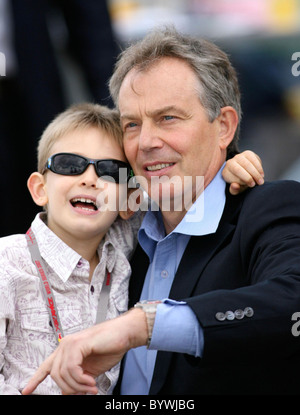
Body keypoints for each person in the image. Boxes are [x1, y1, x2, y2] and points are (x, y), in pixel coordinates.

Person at [23, 26, 300, 396]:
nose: (148, 142)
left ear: (225, 127)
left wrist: (142, 325)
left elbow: (290, 302)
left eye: (168, 118)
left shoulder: (269, 207)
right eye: (132, 124)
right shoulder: (121, 231)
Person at [0, 102, 143, 395]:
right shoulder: (6, 263)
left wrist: (229, 167)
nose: (90, 179)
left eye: (110, 171)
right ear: (40, 189)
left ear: (130, 201)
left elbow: (184, 192)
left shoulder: (122, 243)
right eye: (69, 164)